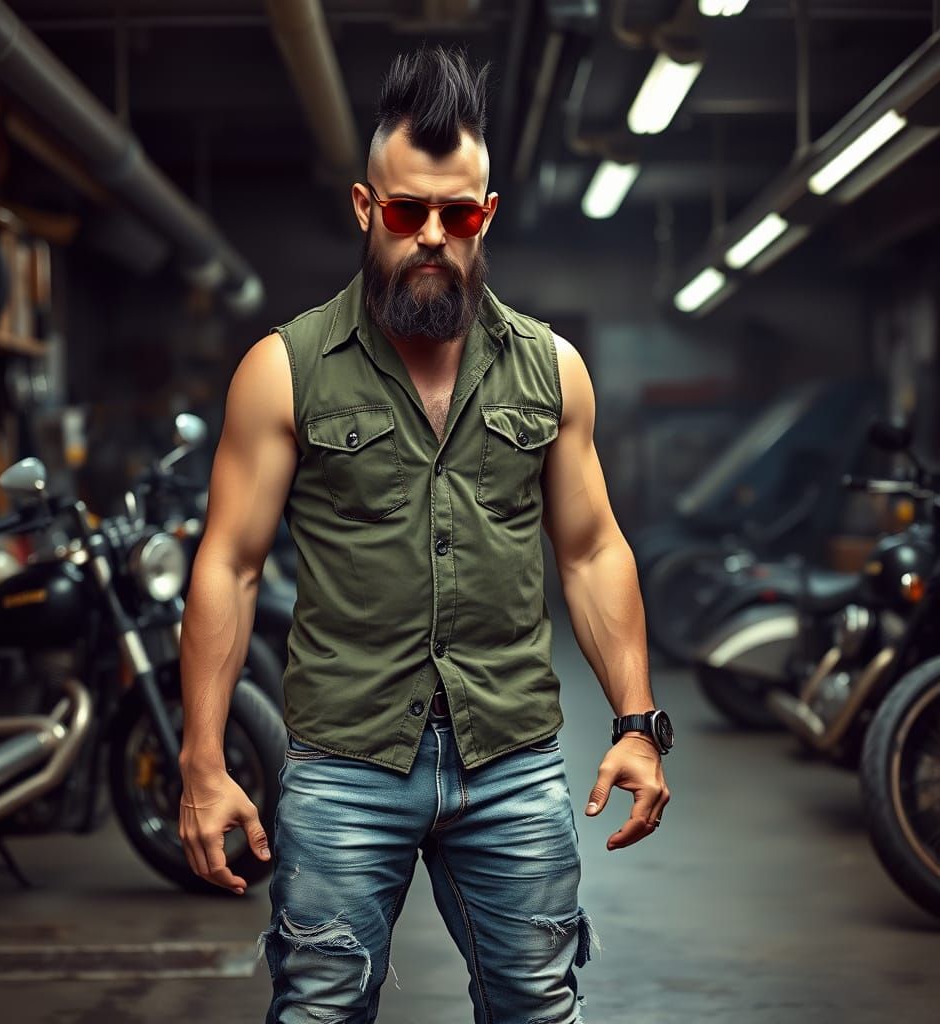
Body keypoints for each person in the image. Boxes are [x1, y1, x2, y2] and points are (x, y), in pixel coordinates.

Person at [178, 43, 673, 1024]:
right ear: (367, 208)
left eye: (458, 214)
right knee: (318, 1008)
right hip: (345, 760)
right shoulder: (283, 369)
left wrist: (634, 723)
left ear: (485, 216)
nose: (433, 237)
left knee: (539, 1005)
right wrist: (202, 758)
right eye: (408, 213)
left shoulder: (551, 370)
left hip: (512, 759)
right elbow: (229, 566)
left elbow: (590, 549)